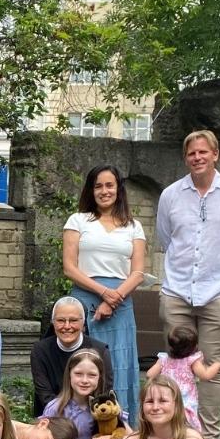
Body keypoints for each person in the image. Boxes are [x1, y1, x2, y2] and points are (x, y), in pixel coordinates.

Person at [155, 129, 220, 439]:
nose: (197, 157)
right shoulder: (171, 195)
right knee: (176, 366)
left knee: (213, 368)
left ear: (215, 154)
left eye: (203, 152)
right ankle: (175, 434)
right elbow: (165, 239)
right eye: (191, 153)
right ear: (185, 157)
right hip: (176, 291)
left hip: (218, 292)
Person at [63, 165, 145, 421]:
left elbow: (138, 273)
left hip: (121, 305)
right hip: (85, 300)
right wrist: (103, 292)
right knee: (84, 366)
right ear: (91, 189)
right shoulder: (78, 221)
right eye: (98, 185)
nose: (104, 191)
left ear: (119, 189)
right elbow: (69, 267)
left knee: (120, 367)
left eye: (110, 185)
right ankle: (80, 428)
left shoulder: (134, 226)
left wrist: (113, 298)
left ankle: (124, 431)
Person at [30, 296, 112, 417]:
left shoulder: (100, 351)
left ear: (83, 323)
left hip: (92, 416)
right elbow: (44, 395)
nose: (67, 326)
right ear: (53, 322)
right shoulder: (40, 351)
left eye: (73, 320)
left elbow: (104, 393)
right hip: (53, 416)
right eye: (61, 320)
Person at [147, 324, 220, 432]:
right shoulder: (191, 361)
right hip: (186, 404)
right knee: (185, 431)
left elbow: (149, 375)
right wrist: (217, 365)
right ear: (194, 346)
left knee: (169, 429)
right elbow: (205, 375)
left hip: (166, 401)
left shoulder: (164, 359)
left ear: (170, 346)